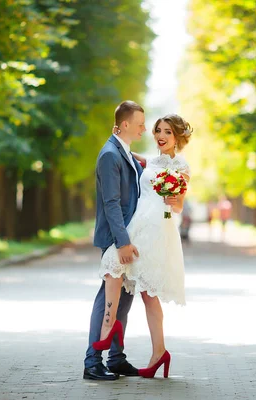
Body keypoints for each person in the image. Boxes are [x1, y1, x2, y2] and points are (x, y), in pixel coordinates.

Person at [97, 114, 192, 379]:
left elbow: (180, 205)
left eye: (168, 132)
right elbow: (128, 152)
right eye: (158, 130)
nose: (161, 136)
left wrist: (174, 201)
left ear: (177, 137)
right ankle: (118, 333)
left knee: (146, 291)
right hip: (138, 224)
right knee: (114, 266)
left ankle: (155, 350)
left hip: (157, 228)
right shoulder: (150, 160)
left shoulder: (182, 166)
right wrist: (118, 134)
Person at [83, 100, 146, 381]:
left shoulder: (125, 153)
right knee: (106, 299)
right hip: (115, 239)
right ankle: (92, 362)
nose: (144, 128)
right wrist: (121, 242)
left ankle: (116, 358)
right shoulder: (110, 155)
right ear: (125, 125)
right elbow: (111, 203)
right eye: (140, 124)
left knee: (125, 298)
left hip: (128, 237)